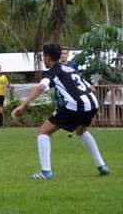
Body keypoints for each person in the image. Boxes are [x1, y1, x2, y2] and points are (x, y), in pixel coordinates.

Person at [11, 43, 109, 180]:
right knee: (81, 131)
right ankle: (102, 166)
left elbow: (40, 87)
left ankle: (46, 172)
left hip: (75, 105)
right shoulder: (69, 68)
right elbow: (91, 88)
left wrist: (23, 105)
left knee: (43, 132)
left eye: (43, 57)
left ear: (47, 58)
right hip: (92, 103)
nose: (43, 60)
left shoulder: (52, 71)